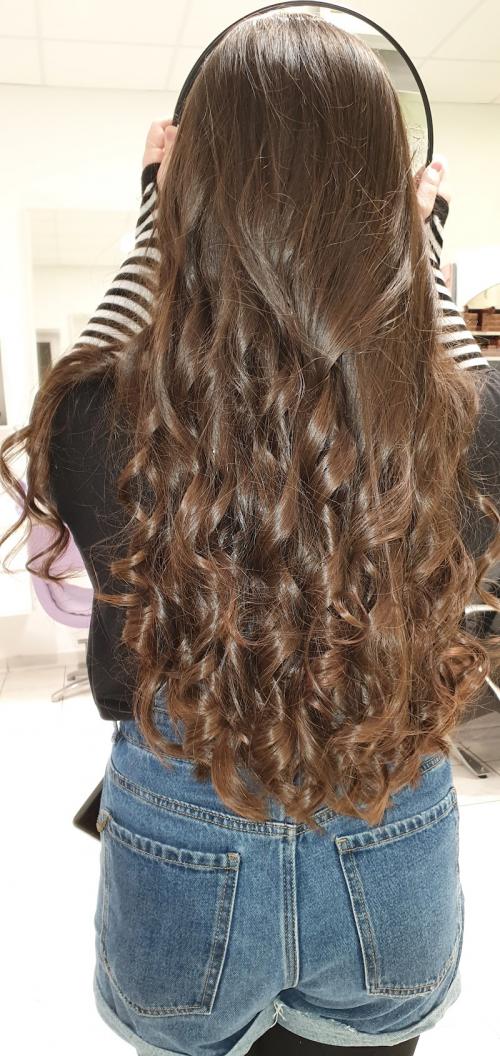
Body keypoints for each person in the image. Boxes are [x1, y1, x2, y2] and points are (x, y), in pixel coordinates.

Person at [1, 12, 499, 1056]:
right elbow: (470, 392)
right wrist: (421, 244)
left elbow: (88, 374)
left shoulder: (101, 419)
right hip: (387, 844)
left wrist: (156, 218)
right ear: (390, 198)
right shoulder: (457, 423)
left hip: (181, 842)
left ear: (192, 195)